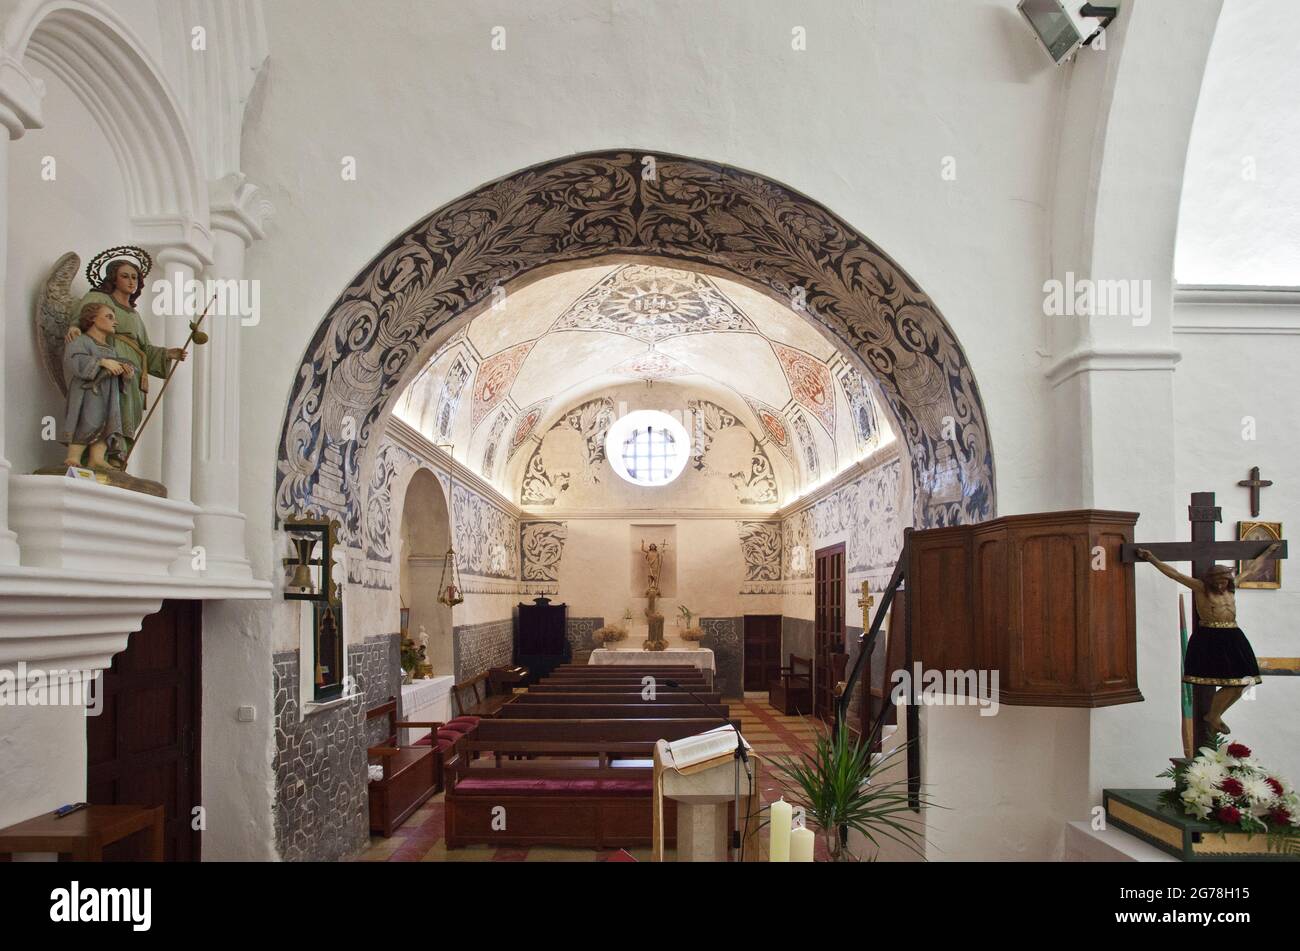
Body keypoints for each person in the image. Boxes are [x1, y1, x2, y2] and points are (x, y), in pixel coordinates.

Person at [1137, 543, 1281, 734]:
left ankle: (1214, 715)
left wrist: (1269, 552)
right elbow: (1175, 574)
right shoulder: (1201, 587)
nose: (1221, 585)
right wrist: (1151, 558)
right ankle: (1213, 716)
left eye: (1224, 581)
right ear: (1211, 581)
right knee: (1230, 682)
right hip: (1211, 637)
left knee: (1245, 681)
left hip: (1233, 635)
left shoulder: (1232, 587)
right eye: (1218, 582)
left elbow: (1252, 568)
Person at [64, 258, 186, 467]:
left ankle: (115, 458)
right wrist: (74, 326)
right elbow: (83, 317)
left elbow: (144, 348)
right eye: (125, 276)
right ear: (113, 278)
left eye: (135, 277)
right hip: (109, 362)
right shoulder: (99, 298)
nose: (132, 281)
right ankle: (91, 458)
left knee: (127, 412)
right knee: (103, 408)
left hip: (132, 370)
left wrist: (167, 354)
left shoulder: (135, 315)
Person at [61, 302, 132, 468]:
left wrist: (125, 375)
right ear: (92, 318)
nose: (115, 322)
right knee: (87, 419)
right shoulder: (81, 340)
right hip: (87, 393)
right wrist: (101, 362)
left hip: (108, 394)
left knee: (107, 422)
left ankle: (97, 458)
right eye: (109, 317)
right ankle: (74, 457)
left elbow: (117, 375)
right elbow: (73, 361)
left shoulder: (111, 349)